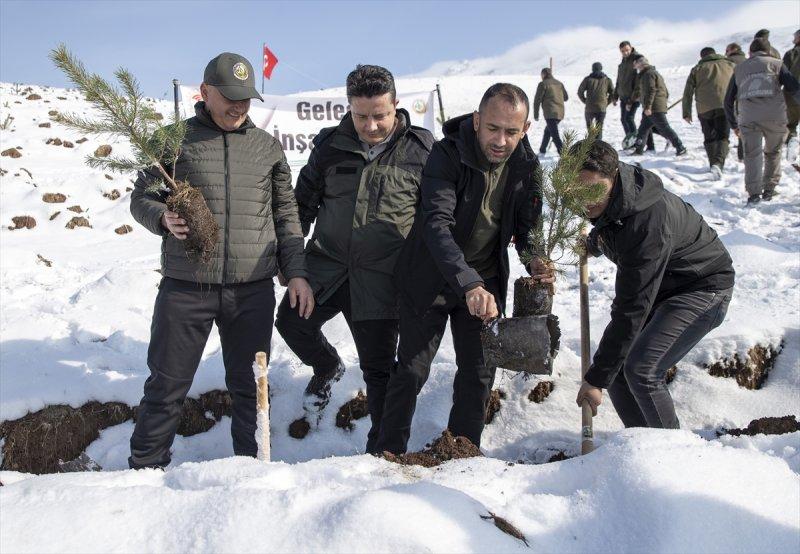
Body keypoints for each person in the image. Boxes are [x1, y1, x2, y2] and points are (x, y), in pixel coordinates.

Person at [128, 53, 313, 469]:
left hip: (252, 290)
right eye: (230, 97)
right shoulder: (172, 141)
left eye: (246, 98)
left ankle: (251, 469)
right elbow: (140, 199)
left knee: (250, 387)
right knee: (166, 386)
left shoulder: (267, 148)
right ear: (205, 92)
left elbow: (286, 216)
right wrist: (161, 217)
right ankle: (144, 471)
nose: (239, 106)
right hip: (186, 288)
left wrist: (297, 271)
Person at [376, 83, 554, 454]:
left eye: (511, 131)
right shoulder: (446, 154)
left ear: (526, 130)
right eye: (493, 128)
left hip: (485, 281)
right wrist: (467, 282)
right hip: (430, 276)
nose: (501, 140)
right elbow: (436, 224)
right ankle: (386, 455)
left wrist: (535, 257)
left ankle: (463, 453)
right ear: (476, 121)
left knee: (478, 372)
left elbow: (527, 228)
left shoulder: (525, 164)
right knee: (411, 371)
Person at [276, 65, 434, 452]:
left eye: (380, 115)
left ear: (396, 105)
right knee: (291, 324)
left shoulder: (422, 150)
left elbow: (437, 218)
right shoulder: (330, 146)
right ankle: (327, 365)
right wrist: (292, 264)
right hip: (326, 268)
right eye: (361, 115)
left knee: (378, 371)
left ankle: (379, 453)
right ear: (348, 108)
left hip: (382, 278)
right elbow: (301, 207)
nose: (372, 125)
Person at [574, 140, 734, 430]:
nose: (586, 200)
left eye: (594, 190)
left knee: (642, 369)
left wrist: (595, 379)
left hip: (702, 288)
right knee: (620, 371)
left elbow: (631, 307)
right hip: (666, 286)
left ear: (613, 177)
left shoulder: (647, 221)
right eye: (577, 190)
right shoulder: (617, 199)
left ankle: (673, 453)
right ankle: (641, 447)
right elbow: (613, 226)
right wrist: (595, 242)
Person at [724, 37, 800, 205]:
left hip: (749, 118)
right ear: (768, 51)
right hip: (775, 117)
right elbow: (794, 88)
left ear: (750, 52)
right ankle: (769, 189)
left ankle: (753, 194)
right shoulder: (777, 64)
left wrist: (733, 125)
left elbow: (728, 100)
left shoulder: (739, 69)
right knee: (773, 152)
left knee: (752, 155)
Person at [682, 47, 736, 178]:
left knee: (709, 136)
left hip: (704, 108)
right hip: (725, 105)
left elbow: (688, 92)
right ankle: (718, 164)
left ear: (702, 57)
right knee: (723, 136)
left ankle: (713, 164)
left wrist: (686, 112)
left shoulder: (697, 68)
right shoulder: (730, 65)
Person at [632, 56, 687, 156]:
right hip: (653, 106)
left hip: (653, 107)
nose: (634, 65)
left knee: (664, 128)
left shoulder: (648, 74)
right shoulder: (649, 73)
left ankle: (680, 147)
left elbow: (651, 90)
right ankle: (638, 150)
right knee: (643, 129)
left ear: (640, 64)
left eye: (635, 63)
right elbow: (665, 91)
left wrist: (648, 106)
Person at [534, 68, 568, 154]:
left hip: (550, 113)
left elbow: (537, 100)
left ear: (543, 75)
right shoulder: (559, 83)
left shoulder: (543, 84)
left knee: (555, 135)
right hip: (560, 113)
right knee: (548, 131)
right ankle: (542, 150)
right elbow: (566, 97)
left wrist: (536, 115)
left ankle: (564, 154)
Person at [578, 62, 615, 140]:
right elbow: (613, 93)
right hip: (601, 108)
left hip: (589, 108)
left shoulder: (587, 79)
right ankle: (598, 147)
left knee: (590, 129)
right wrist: (606, 103)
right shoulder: (607, 80)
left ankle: (590, 146)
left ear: (592, 69)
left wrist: (585, 101)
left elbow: (580, 91)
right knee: (599, 129)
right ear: (601, 68)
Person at [615, 41, 642, 147]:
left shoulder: (637, 59)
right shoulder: (622, 63)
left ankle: (636, 142)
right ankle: (630, 141)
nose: (625, 52)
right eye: (623, 51)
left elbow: (638, 82)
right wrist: (615, 95)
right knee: (624, 119)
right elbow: (619, 80)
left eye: (627, 50)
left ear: (631, 48)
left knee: (629, 118)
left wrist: (632, 99)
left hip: (633, 97)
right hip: (623, 97)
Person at [725, 43, 747, 161]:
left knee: (728, 122)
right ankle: (743, 155)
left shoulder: (726, 62)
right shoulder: (748, 61)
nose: (725, 52)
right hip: (746, 97)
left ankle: (724, 147)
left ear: (733, 50)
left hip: (730, 94)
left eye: (727, 50)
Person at [783, 30, 800, 154]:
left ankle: (792, 143)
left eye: (795, 36)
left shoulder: (791, 54)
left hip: (792, 95)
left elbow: (783, 74)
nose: (793, 39)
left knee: (790, 124)